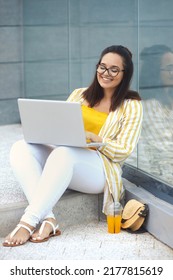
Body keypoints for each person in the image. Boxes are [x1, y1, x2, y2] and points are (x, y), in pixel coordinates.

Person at [3, 45, 143, 247]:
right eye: (102, 67)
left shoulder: (132, 105)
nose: (106, 73)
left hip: (99, 170)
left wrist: (96, 140)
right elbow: (61, 129)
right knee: (20, 147)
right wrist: (44, 131)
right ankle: (48, 219)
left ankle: (28, 221)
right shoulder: (80, 94)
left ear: (125, 73)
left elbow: (124, 150)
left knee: (64, 154)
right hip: (64, 161)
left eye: (114, 69)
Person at [139, 44, 173, 182]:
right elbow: (165, 149)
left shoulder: (168, 99)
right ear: (154, 72)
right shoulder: (150, 106)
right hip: (163, 179)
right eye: (170, 68)